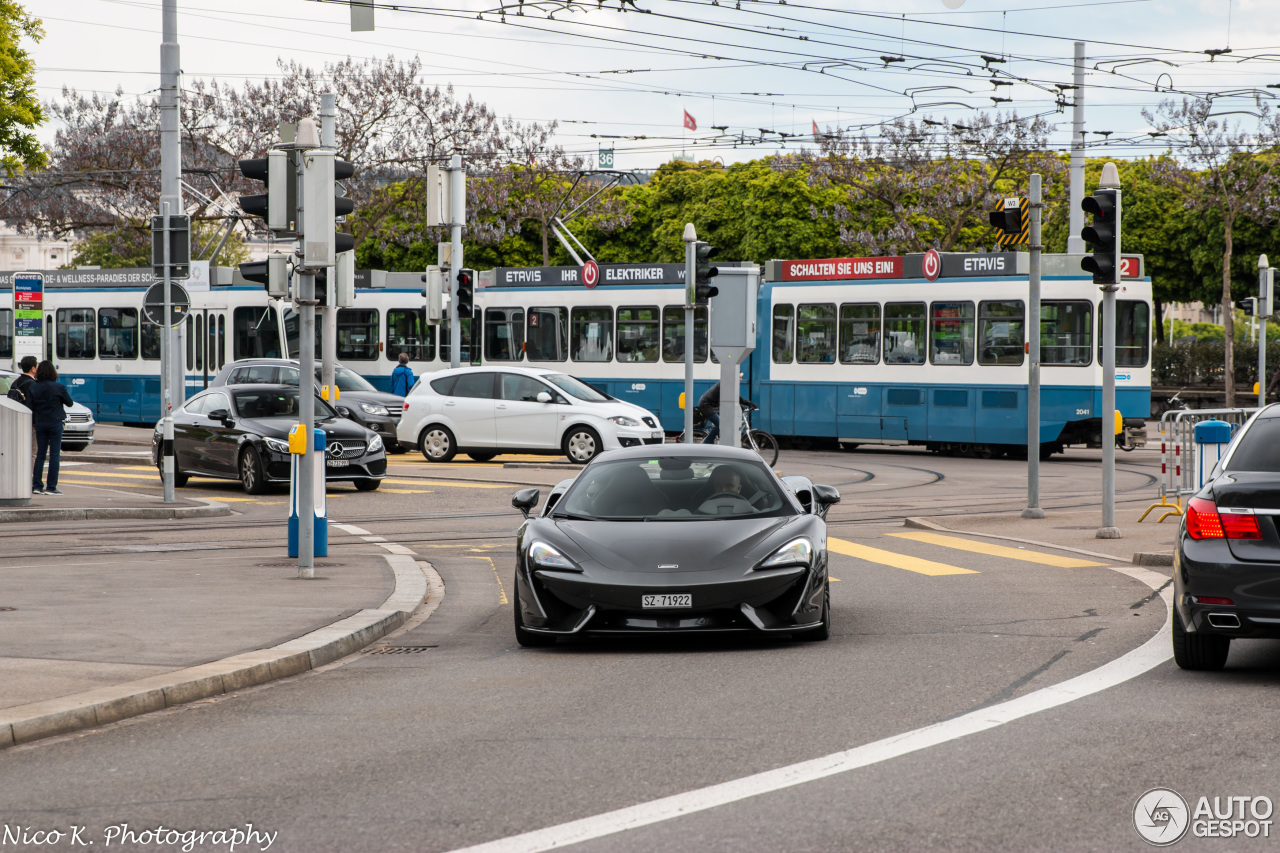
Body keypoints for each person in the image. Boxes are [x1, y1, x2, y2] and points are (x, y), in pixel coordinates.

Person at [27, 360, 74, 496]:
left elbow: (29, 407)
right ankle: (51, 487)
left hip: (40, 423)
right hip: (55, 422)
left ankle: (37, 485)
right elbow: (69, 403)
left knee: (40, 455)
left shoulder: (33, 388)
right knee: (54, 455)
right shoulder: (58, 387)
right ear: (53, 372)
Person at [697, 374, 753, 445]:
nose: (741, 379)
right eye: (740, 377)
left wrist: (742, 406)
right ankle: (707, 442)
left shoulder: (729, 384)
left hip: (714, 406)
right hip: (706, 406)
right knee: (720, 424)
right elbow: (736, 396)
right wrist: (748, 403)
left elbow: (732, 398)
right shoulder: (725, 384)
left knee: (728, 421)